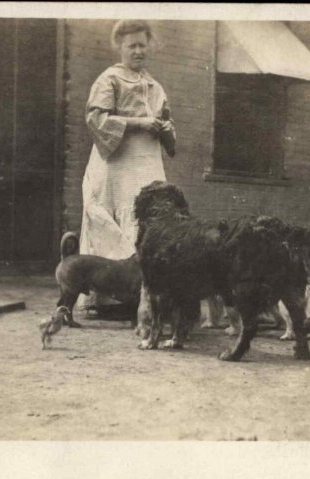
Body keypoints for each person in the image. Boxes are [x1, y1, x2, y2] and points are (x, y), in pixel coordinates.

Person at [78, 20, 175, 311]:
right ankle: (105, 297)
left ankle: (144, 297)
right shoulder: (109, 79)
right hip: (116, 164)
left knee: (148, 221)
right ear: (119, 47)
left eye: (142, 45)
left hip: (147, 164)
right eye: (131, 45)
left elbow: (167, 121)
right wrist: (139, 123)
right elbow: (96, 119)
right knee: (113, 220)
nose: (137, 51)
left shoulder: (155, 86)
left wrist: (165, 128)